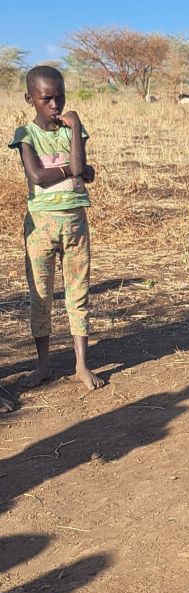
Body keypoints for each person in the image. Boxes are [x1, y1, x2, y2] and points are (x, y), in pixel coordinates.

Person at [9, 65, 103, 391]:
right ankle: (43, 364)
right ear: (30, 99)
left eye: (59, 97)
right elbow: (36, 176)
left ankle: (81, 364)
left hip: (75, 221)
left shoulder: (71, 129)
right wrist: (73, 171)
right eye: (46, 98)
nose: (54, 105)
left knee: (78, 293)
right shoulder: (25, 134)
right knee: (41, 296)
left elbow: (81, 168)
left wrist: (75, 128)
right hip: (41, 227)